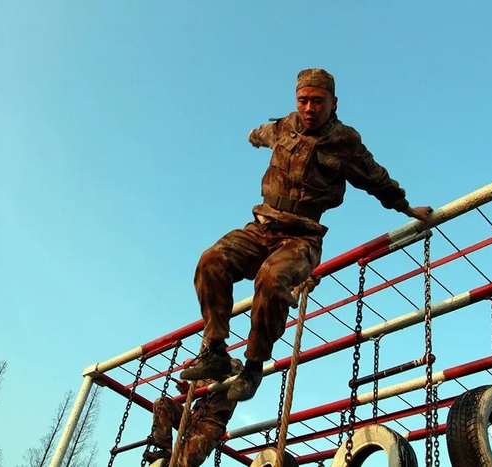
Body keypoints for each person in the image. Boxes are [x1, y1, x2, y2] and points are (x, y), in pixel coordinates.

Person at [180, 68, 432, 402]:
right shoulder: (285, 125)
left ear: (333, 103)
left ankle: (253, 367)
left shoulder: (344, 142)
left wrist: (407, 208)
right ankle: (214, 350)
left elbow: (376, 178)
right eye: (303, 100)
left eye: (317, 101)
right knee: (211, 260)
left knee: (271, 280)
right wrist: (253, 135)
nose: (309, 108)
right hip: (262, 227)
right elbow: (264, 133)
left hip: (302, 237)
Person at [144, 359, 242, 466]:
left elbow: (220, 378)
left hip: (208, 429)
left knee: (181, 463)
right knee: (162, 403)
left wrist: (199, 362)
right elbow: (199, 386)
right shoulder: (213, 380)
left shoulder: (234, 384)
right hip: (193, 418)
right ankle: (165, 450)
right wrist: (186, 387)